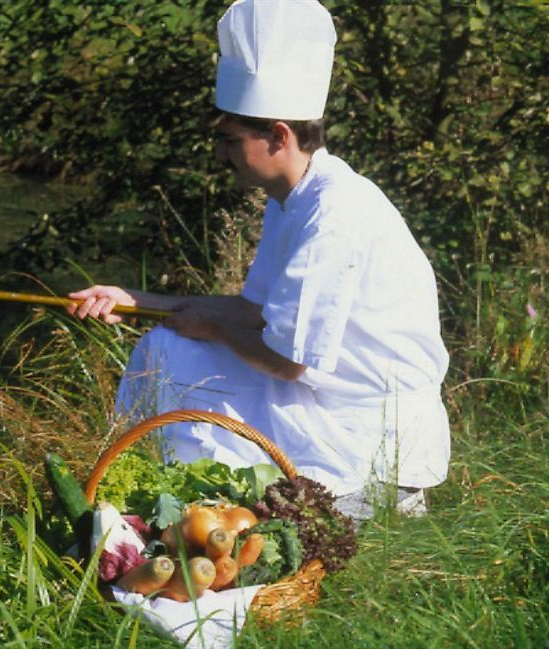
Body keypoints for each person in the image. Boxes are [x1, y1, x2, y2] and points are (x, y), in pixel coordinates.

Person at [67, 0, 450, 519]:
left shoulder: (334, 214)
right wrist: (134, 300)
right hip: (323, 405)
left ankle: (213, 510)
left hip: (368, 438)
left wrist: (211, 327)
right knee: (169, 347)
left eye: (230, 141)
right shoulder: (294, 198)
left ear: (279, 135)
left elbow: (287, 361)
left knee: (185, 353)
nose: (220, 155)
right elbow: (254, 312)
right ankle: (174, 501)